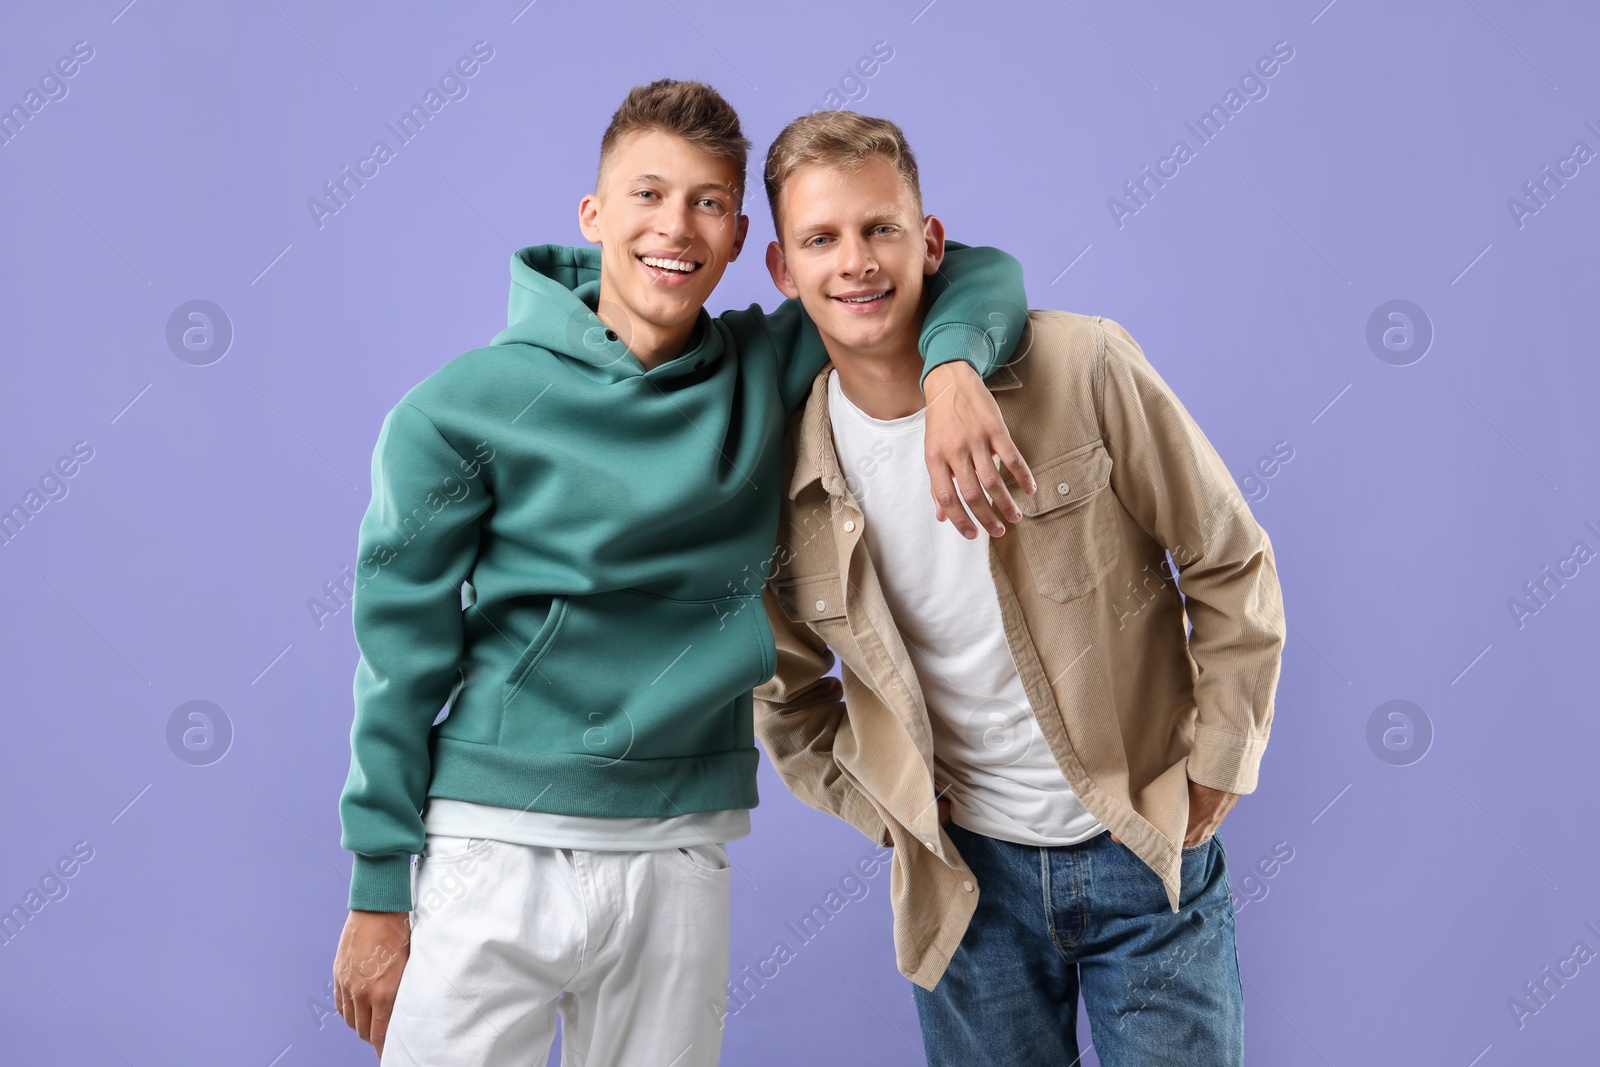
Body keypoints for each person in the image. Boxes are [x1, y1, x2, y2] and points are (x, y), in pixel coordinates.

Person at [330, 80, 1034, 1065]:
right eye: (647, 195)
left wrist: (952, 366)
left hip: (682, 843)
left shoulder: (765, 363)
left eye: (706, 202)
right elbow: (399, 659)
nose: (676, 226)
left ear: (744, 236)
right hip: (494, 841)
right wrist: (376, 888)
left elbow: (973, 270)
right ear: (593, 215)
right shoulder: (458, 411)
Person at [752, 110, 1287, 1066]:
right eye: (821, 239)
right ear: (782, 272)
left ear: (930, 241)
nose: (856, 263)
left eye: (879, 228)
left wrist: (1221, 754)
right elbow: (783, 693)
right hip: (966, 887)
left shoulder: (1081, 364)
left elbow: (1227, 557)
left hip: (1143, 848)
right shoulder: (784, 475)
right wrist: (893, 808)